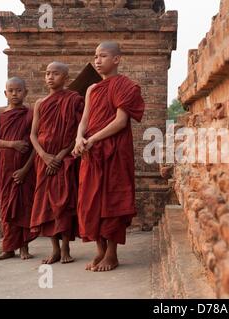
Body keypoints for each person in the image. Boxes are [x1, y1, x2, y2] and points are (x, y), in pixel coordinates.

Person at [73, 42, 145, 272]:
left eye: (103, 56)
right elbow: (84, 120)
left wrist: (93, 139)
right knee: (90, 200)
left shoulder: (126, 86)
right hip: (92, 153)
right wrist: (78, 139)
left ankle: (112, 254)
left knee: (111, 199)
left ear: (116, 59)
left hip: (114, 150)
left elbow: (120, 121)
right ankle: (100, 251)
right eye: (95, 56)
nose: (97, 60)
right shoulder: (92, 89)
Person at [30, 62, 84, 264]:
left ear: (66, 78)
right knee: (46, 205)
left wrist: (60, 156)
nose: (50, 77)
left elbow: (77, 132)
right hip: (43, 160)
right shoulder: (40, 103)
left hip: (64, 159)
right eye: (47, 73)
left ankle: (66, 248)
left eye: (56, 73)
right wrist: (44, 156)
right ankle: (54, 249)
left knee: (63, 203)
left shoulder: (73, 100)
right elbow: (34, 135)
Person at [0, 77, 37, 260]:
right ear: (5, 93)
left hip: (25, 167)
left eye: (18, 90)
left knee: (24, 205)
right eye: (11, 91)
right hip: (6, 167)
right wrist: (13, 144)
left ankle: (24, 246)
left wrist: (26, 169)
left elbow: (36, 144)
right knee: (7, 205)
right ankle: (9, 248)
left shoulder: (31, 113)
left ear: (25, 92)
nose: (14, 94)